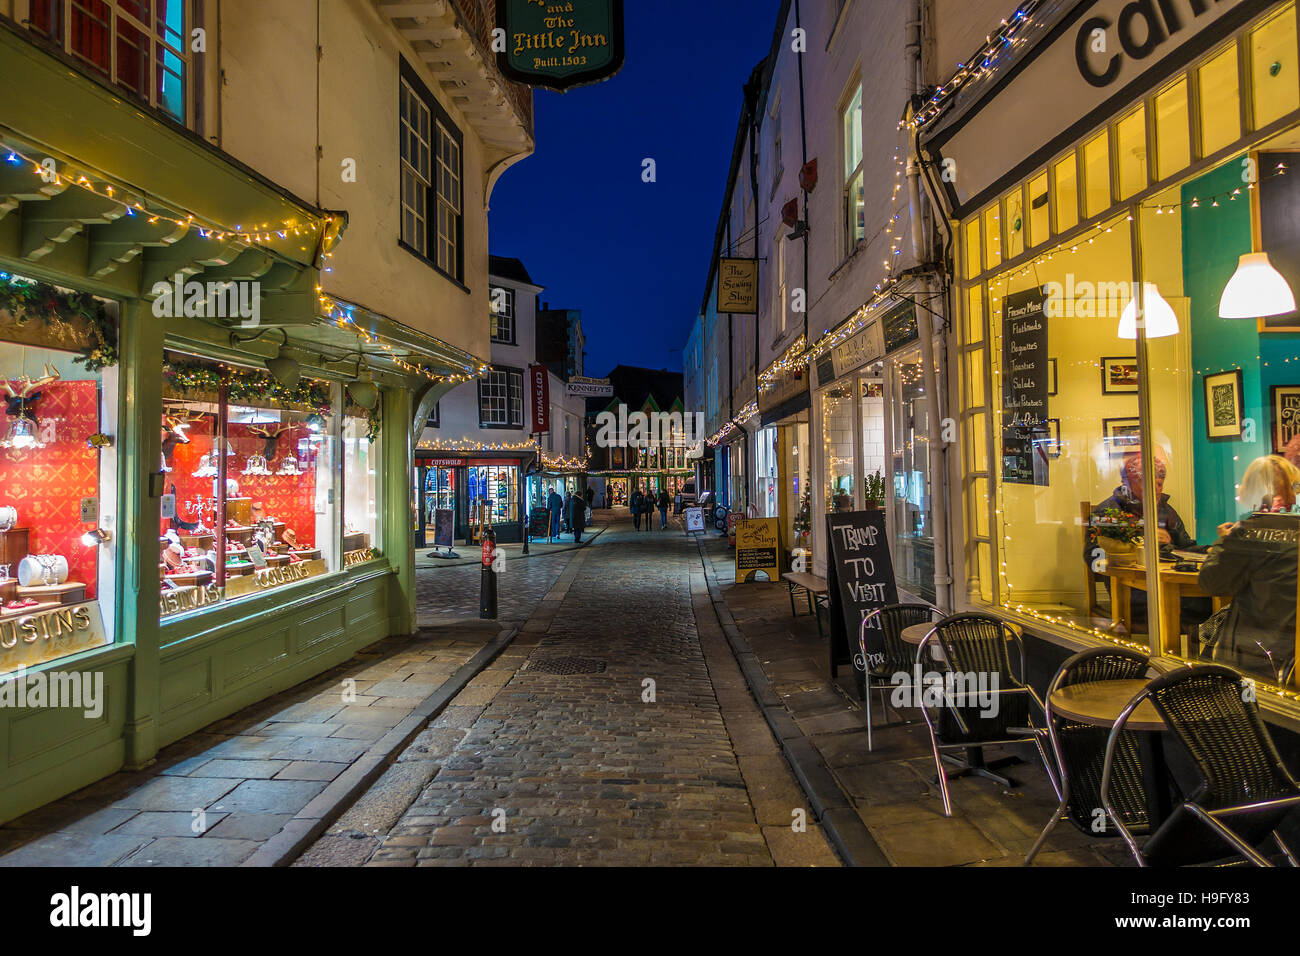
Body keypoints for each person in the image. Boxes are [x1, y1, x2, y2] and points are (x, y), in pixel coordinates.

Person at [1198, 455, 1300, 681]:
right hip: (1293, 650)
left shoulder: (1251, 531)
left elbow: (1212, 582)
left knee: (1207, 634)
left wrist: (1223, 541)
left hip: (1260, 652)